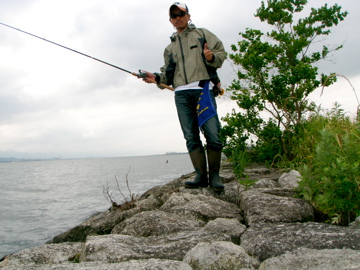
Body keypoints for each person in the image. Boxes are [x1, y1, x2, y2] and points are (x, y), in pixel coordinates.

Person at [142, 2, 226, 192]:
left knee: (213, 134)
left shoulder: (203, 34)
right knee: (190, 136)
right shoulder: (169, 48)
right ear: (170, 20)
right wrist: (155, 78)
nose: (178, 18)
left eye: (181, 14)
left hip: (203, 90)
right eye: (174, 16)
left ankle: (214, 176)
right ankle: (200, 175)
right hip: (181, 94)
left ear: (188, 15)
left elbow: (220, 54)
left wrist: (211, 57)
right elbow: (167, 75)